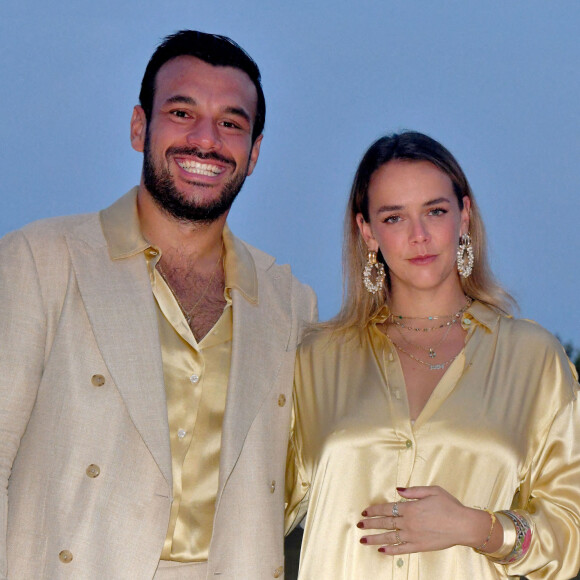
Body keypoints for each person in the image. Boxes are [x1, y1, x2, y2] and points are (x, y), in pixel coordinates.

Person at [0, 30, 316, 579]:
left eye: (232, 124)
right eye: (182, 112)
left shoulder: (289, 303)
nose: (206, 140)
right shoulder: (43, 261)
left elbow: (313, 481)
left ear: (254, 153)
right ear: (139, 127)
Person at [286, 131, 580, 579]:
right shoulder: (313, 359)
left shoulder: (533, 359)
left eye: (435, 211)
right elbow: (255, 504)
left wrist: (479, 527)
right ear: (367, 231)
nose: (419, 236)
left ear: (464, 216)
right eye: (394, 218)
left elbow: (571, 534)